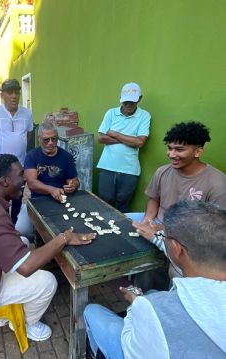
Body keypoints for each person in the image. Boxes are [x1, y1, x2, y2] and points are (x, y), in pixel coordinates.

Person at [0, 154, 97, 341]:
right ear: (5, 181)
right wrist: (64, 238)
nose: (25, 178)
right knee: (48, 281)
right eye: (21, 174)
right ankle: (28, 323)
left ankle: (7, 312)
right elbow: (26, 268)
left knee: (23, 242)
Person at [84, 200, 226, 359]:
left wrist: (135, 307)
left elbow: (130, 350)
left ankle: (96, 352)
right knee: (151, 291)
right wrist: (154, 237)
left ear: (176, 248)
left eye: (163, 235)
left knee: (91, 311)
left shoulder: (154, 308)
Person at [128, 121, 226, 284]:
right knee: (122, 223)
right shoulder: (162, 171)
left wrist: (160, 231)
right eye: (170, 148)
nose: (172, 154)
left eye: (179, 149)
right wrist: (148, 220)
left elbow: (211, 231)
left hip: (188, 237)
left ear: (198, 151)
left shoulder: (218, 184)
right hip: (158, 222)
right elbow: (154, 199)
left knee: (162, 266)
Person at [15, 122, 80, 238]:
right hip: (38, 200)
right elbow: (32, 183)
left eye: (54, 139)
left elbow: (74, 180)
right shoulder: (32, 156)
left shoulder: (66, 157)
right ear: (39, 139)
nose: (50, 143)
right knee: (21, 230)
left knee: (66, 230)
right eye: (46, 140)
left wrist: (73, 185)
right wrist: (51, 190)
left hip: (61, 200)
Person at [0, 79, 34, 224]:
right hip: (2, 169)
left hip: (20, 167)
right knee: (2, 199)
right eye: (10, 92)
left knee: (18, 196)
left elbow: (30, 134)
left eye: (17, 92)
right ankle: (4, 225)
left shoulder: (27, 113)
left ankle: (15, 225)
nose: (14, 96)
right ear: (2, 95)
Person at [96, 82, 151, 212]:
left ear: (139, 99)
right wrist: (130, 139)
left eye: (132, 102)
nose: (127, 105)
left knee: (123, 205)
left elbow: (140, 142)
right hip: (107, 165)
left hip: (129, 169)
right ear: (120, 98)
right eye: (125, 102)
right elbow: (101, 138)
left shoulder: (145, 116)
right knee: (104, 202)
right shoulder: (111, 113)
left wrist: (115, 134)